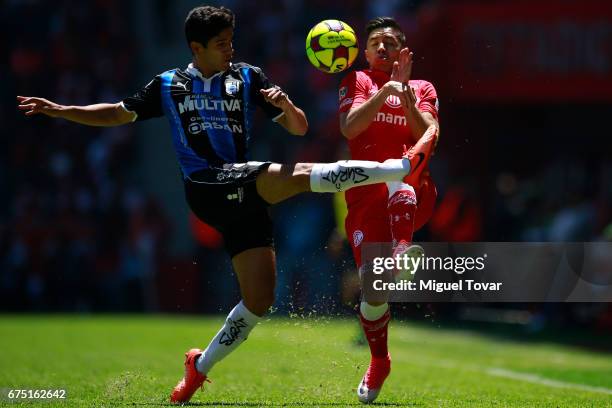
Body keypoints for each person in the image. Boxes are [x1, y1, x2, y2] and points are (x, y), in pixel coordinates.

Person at [17, 6, 435, 404]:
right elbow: (116, 114)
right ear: (196, 48)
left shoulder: (247, 77)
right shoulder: (168, 84)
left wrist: (285, 105)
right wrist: (63, 110)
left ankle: (198, 366)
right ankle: (397, 168)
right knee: (295, 175)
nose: (230, 49)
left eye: (232, 41)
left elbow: (300, 126)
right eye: (221, 43)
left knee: (259, 301)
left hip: (243, 194)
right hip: (207, 185)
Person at [338, 17, 440, 403]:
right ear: (365, 52)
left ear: (404, 51)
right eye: (376, 42)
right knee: (373, 291)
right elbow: (350, 128)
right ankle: (380, 360)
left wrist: (408, 98)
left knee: (399, 168)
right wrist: (386, 92)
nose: (383, 48)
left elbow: (428, 135)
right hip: (366, 202)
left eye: (391, 42)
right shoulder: (357, 82)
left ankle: (401, 251)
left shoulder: (423, 87)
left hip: (414, 191)